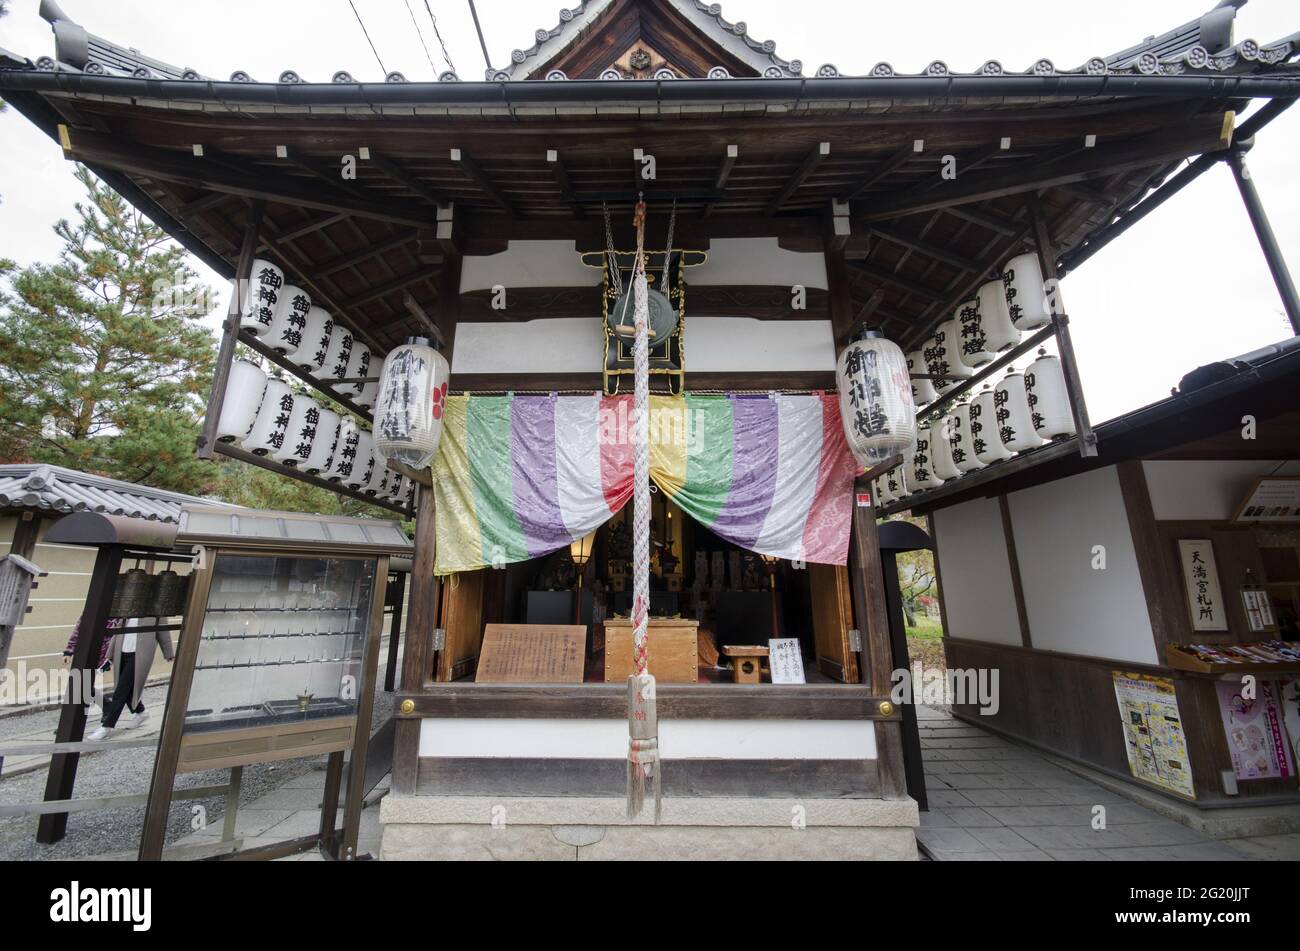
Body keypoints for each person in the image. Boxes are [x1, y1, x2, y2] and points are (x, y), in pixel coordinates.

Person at [86, 616, 175, 741]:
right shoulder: (129, 608)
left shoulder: (157, 610)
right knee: (126, 689)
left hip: (140, 654)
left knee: (120, 690)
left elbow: (163, 631)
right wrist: (110, 655)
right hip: (121, 652)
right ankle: (141, 712)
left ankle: (106, 726)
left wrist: (168, 653)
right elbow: (118, 632)